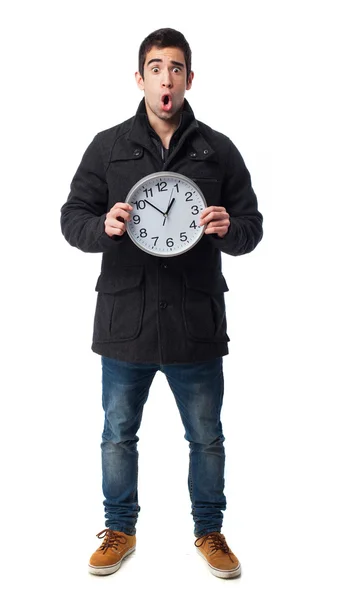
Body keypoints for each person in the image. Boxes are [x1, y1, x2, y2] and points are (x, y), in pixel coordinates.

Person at [60, 27, 263, 579]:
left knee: (207, 436)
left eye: (176, 67)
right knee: (117, 433)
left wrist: (229, 228)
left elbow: (252, 225)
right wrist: (102, 226)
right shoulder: (108, 146)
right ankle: (119, 529)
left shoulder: (216, 149)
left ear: (189, 78)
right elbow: (71, 218)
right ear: (140, 77)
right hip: (126, 321)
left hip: (195, 322)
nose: (166, 77)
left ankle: (210, 531)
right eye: (155, 67)